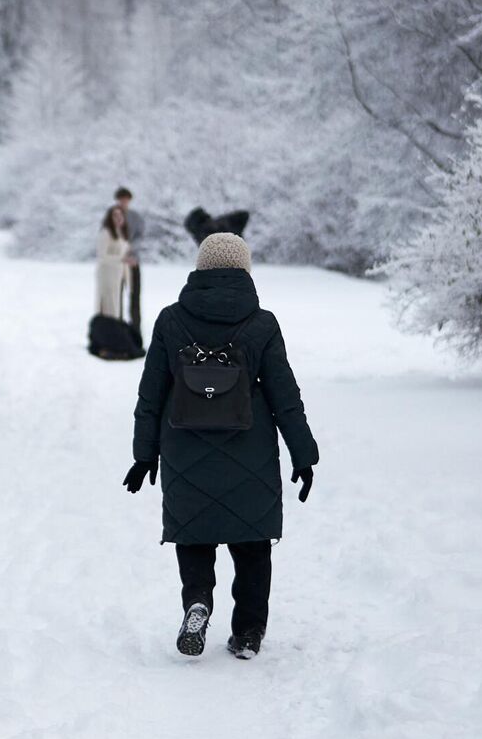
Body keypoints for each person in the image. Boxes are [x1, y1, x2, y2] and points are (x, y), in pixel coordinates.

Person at [124, 231, 319, 659]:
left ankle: (197, 601)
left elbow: (151, 395)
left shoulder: (170, 320)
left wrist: (143, 455)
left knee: (195, 537)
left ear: (200, 269)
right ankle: (248, 633)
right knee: (251, 545)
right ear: (244, 270)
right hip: (250, 452)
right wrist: (304, 455)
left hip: (184, 452)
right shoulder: (262, 324)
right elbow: (286, 397)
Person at [96, 187, 138, 318]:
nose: (118, 218)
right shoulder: (106, 233)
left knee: (116, 307)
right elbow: (102, 256)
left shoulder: (121, 234)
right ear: (110, 217)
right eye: (115, 215)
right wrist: (122, 259)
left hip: (118, 274)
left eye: (121, 215)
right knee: (109, 308)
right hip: (107, 273)